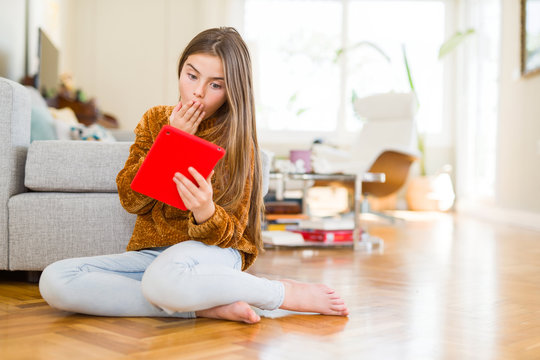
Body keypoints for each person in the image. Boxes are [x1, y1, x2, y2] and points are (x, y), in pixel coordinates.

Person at [39, 27, 349, 323]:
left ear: (232, 91)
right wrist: (170, 139)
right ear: (181, 70)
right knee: (56, 280)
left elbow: (233, 236)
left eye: (216, 84)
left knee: (163, 280)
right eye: (191, 76)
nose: (198, 93)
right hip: (153, 255)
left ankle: (281, 292)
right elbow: (130, 200)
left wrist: (205, 211)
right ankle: (199, 308)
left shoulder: (239, 140)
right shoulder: (156, 120)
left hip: (212, 254)